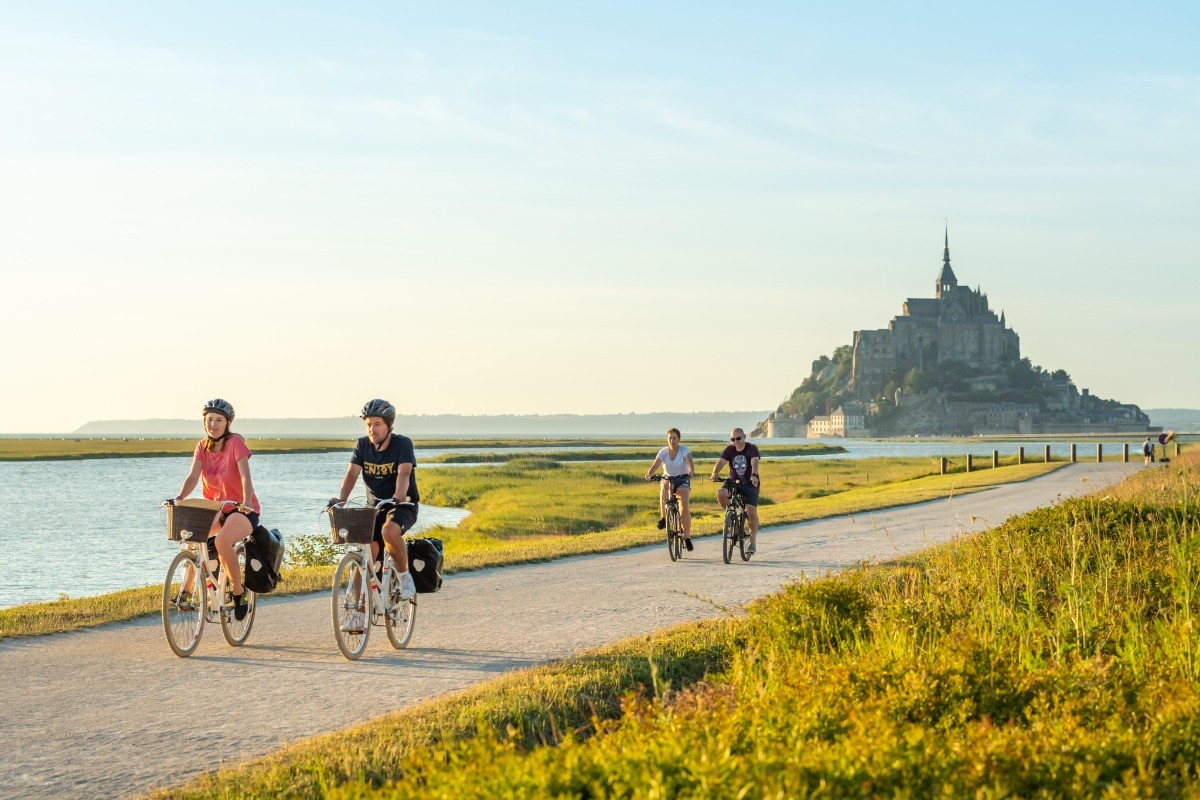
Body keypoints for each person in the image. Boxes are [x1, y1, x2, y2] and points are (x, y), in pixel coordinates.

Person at [330, 399, 418, 631]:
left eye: (377, 424)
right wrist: (341, 499)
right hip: (374, 507)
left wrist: (400, 494)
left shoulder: (402, 444)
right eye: (368, 424)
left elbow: (404, 471)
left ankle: (404, 574)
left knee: (389, 531)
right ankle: (358, 615)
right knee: (367, 551)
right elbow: (351, 475)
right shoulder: (362, 445)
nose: (372, 429)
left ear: (389, 425)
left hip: (402, 505)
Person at [174, 398, 260, 621]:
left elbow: (245, 475)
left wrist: (247, 501)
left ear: (228, 423)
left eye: (219, 420)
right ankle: (186, 592)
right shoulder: (202, 446)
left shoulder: (235, 442)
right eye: (209, 419)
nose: (213, 424)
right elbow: (193, 476)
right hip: (216, 508)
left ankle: (239, 592)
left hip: (242, 509)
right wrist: (179, 498)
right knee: (194, 539)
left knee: (222, 541)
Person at [709, 427, 762, 556]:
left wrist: (754, 475)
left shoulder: (752, 448)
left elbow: (754, 462)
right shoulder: (729, 449)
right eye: (733, 439)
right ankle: (731, 517)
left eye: (738, 438)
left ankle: (752, 542)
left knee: (751, 511)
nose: (736, 441)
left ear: (744, 437)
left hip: (749, 482)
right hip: (733, 482)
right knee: (721, 494)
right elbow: (721, 462)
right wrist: (715, 473)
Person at [644, 428, 695, 551]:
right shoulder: (663, 452)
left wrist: (691, 471)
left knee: (684, 505)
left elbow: (690, 463)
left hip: (682, 479)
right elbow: (655, 465)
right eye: (670, 438)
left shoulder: (684, 450)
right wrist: (649, 474)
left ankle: (687, 537)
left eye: (674, 438)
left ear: (679, 439)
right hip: (668, 479)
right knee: (663, 485)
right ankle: (663, 517)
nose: (672, 440)